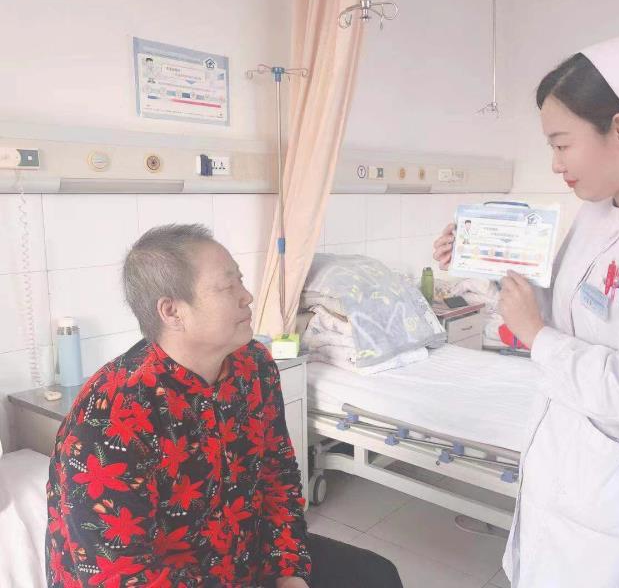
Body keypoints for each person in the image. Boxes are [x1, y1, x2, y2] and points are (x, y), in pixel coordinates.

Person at [433, 27, 619, 587]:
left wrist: (536, 336)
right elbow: (563, 308)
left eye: (561, 143)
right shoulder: (598, 210)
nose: (555, 163)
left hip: (614, 508)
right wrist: (486, 259)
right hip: (559, 469)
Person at [46, 224, 402, 588]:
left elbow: (277, 476)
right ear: (172, 311)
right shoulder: (110, 419)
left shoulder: (254, 366)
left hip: (242, 556)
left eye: (240, 281)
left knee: (378, 576)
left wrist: (289, 572)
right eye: (227, 286)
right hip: (163, 578)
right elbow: (121, 575)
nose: (247, 296)